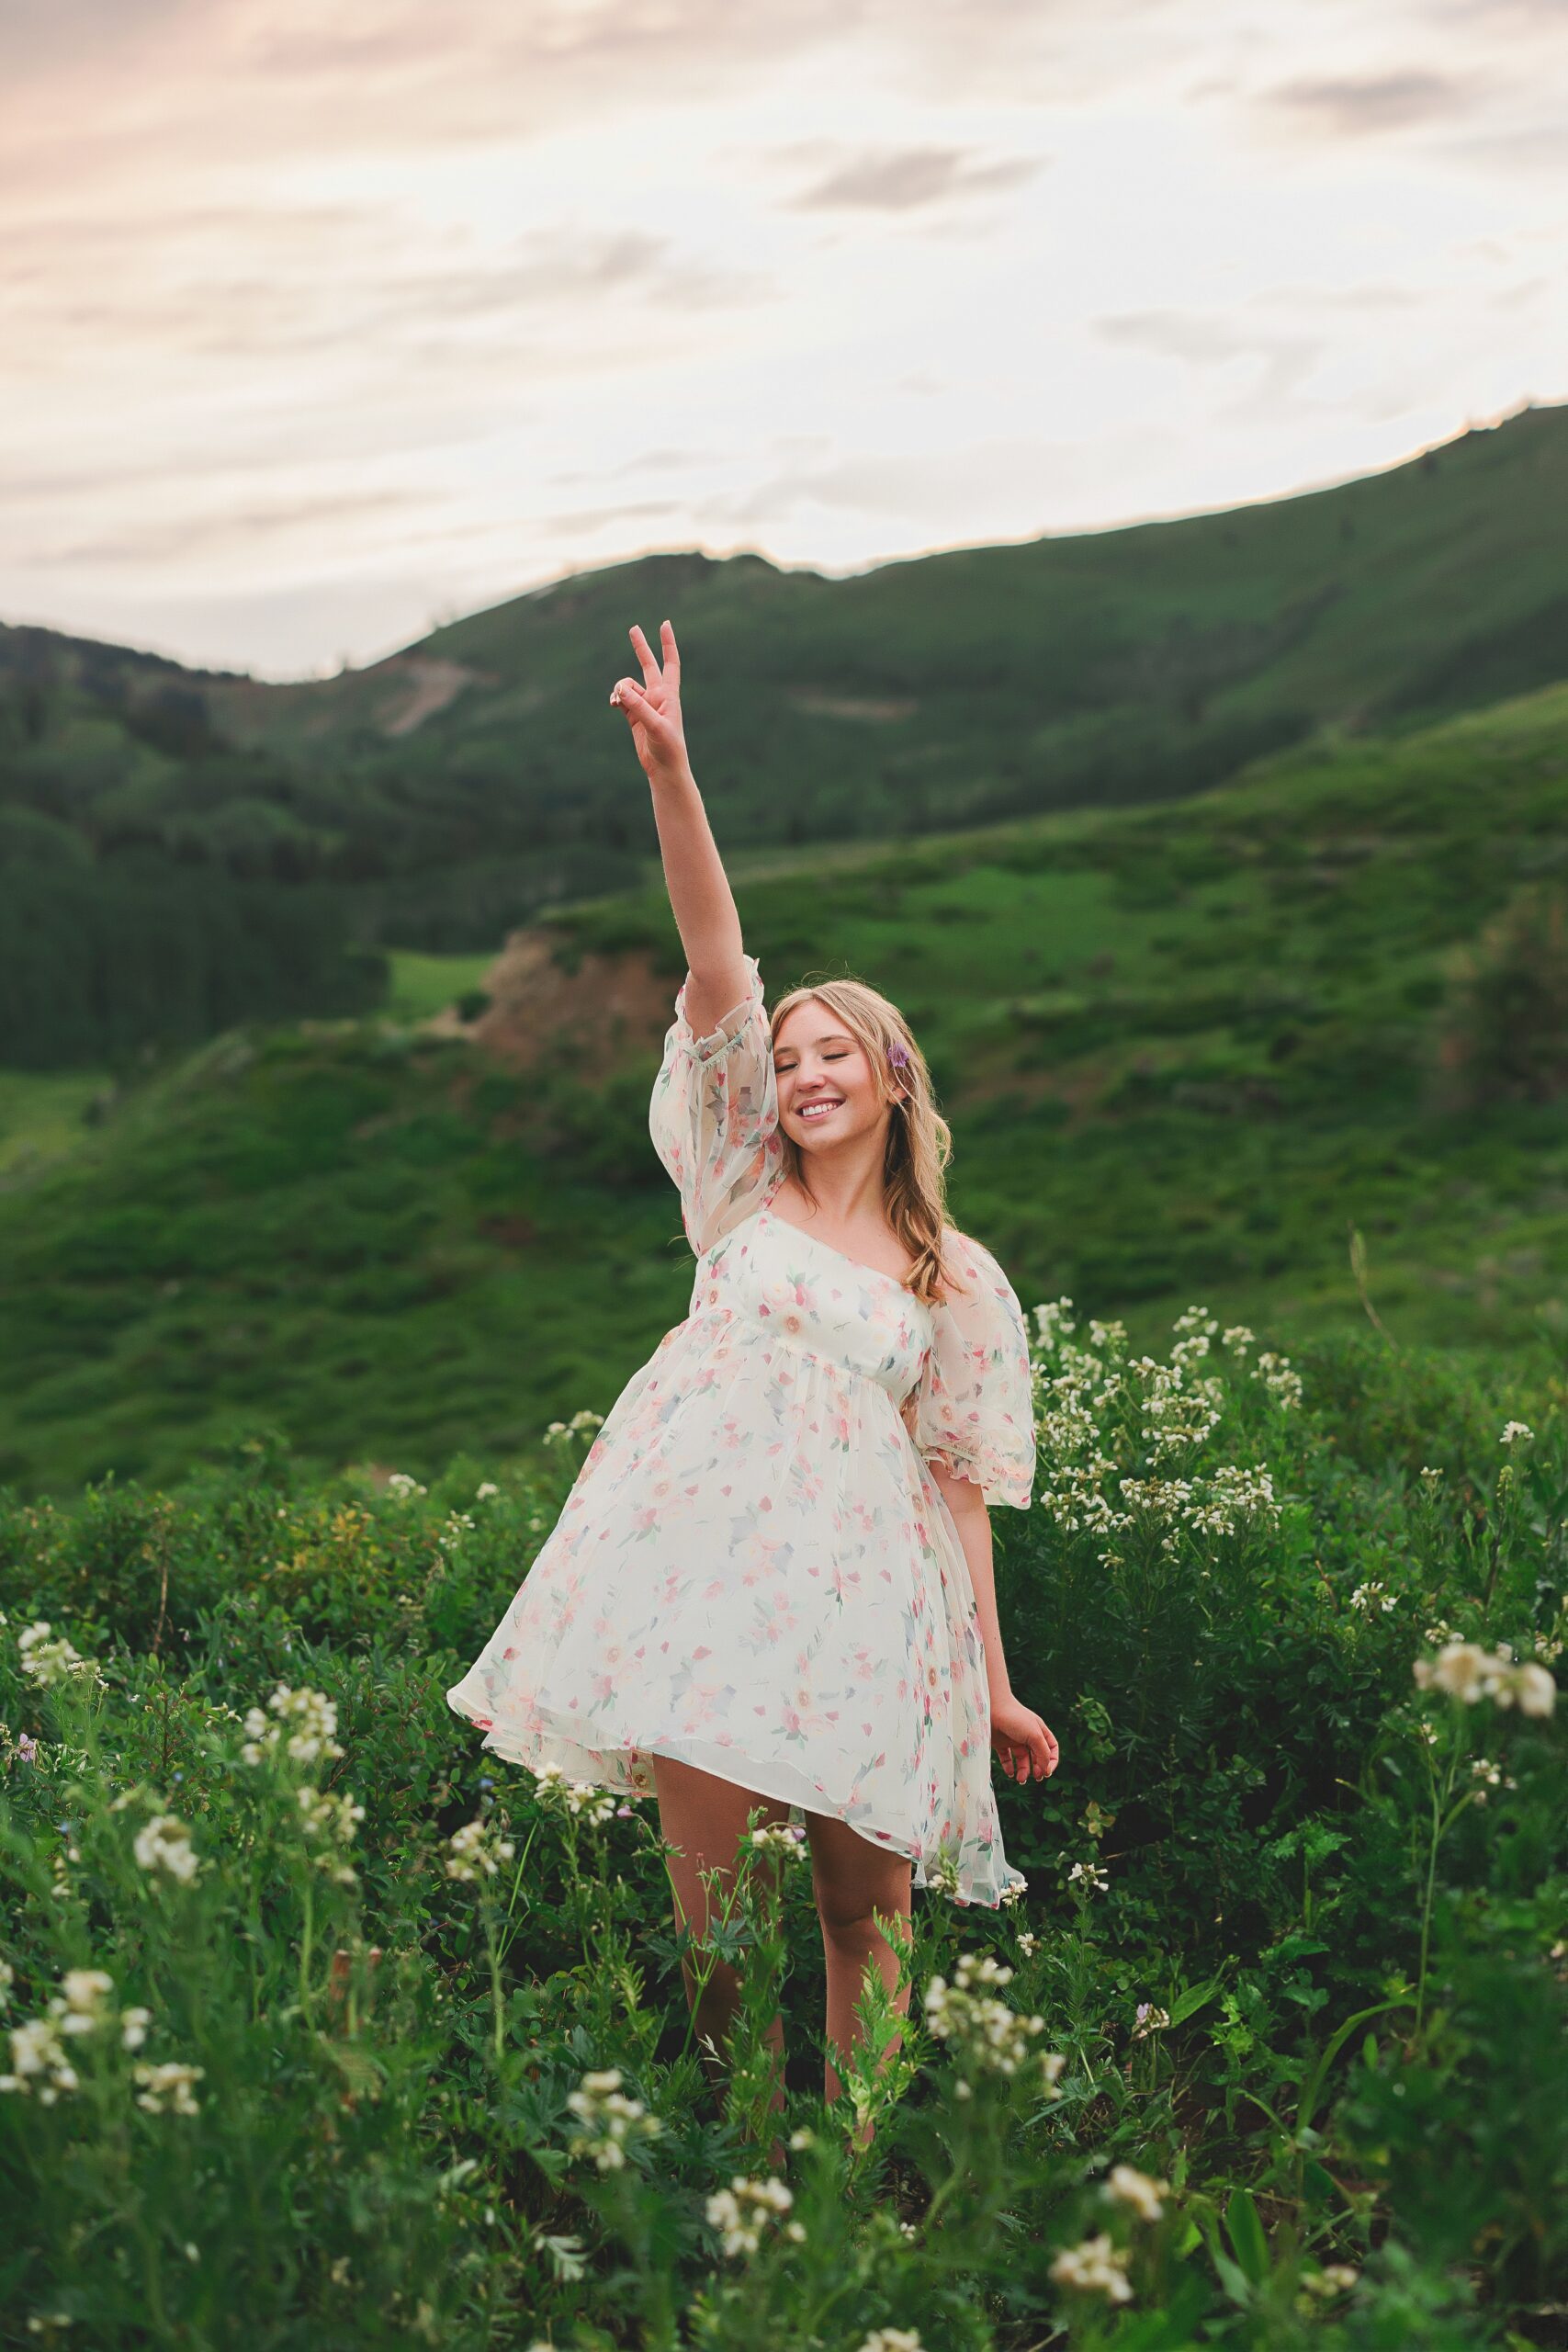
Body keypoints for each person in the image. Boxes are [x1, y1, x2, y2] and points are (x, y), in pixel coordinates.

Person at [447, 618, 1060, 2138]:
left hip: (876, 1596)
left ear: (893, 1075)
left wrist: (990, 1681)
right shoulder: (735, 1184)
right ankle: (736, 2151)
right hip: (709, 1578)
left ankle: (850, 2180)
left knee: (868, 1908)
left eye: (834, 1054)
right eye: (789, 1059)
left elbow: (959, 1494)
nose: (804, 1074)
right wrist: (675, 770)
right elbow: (716, 955)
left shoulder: (952, 1278)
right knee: (710, 1917)